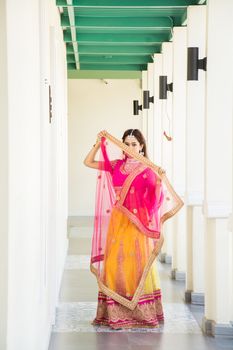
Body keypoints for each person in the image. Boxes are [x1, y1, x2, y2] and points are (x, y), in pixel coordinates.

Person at [83, 129, 183, 330]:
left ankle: (140, 313)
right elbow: (88, 162)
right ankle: (114, 312)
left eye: (134, 144)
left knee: (135, 265)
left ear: (142, 146)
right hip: (118, 222)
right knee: (114, 264)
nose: (130, 148)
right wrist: (97, 144)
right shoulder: (116, 165)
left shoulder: (148, 169)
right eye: (126, 144)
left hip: (138, 225)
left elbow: (154, 201)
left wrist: (158, 181)